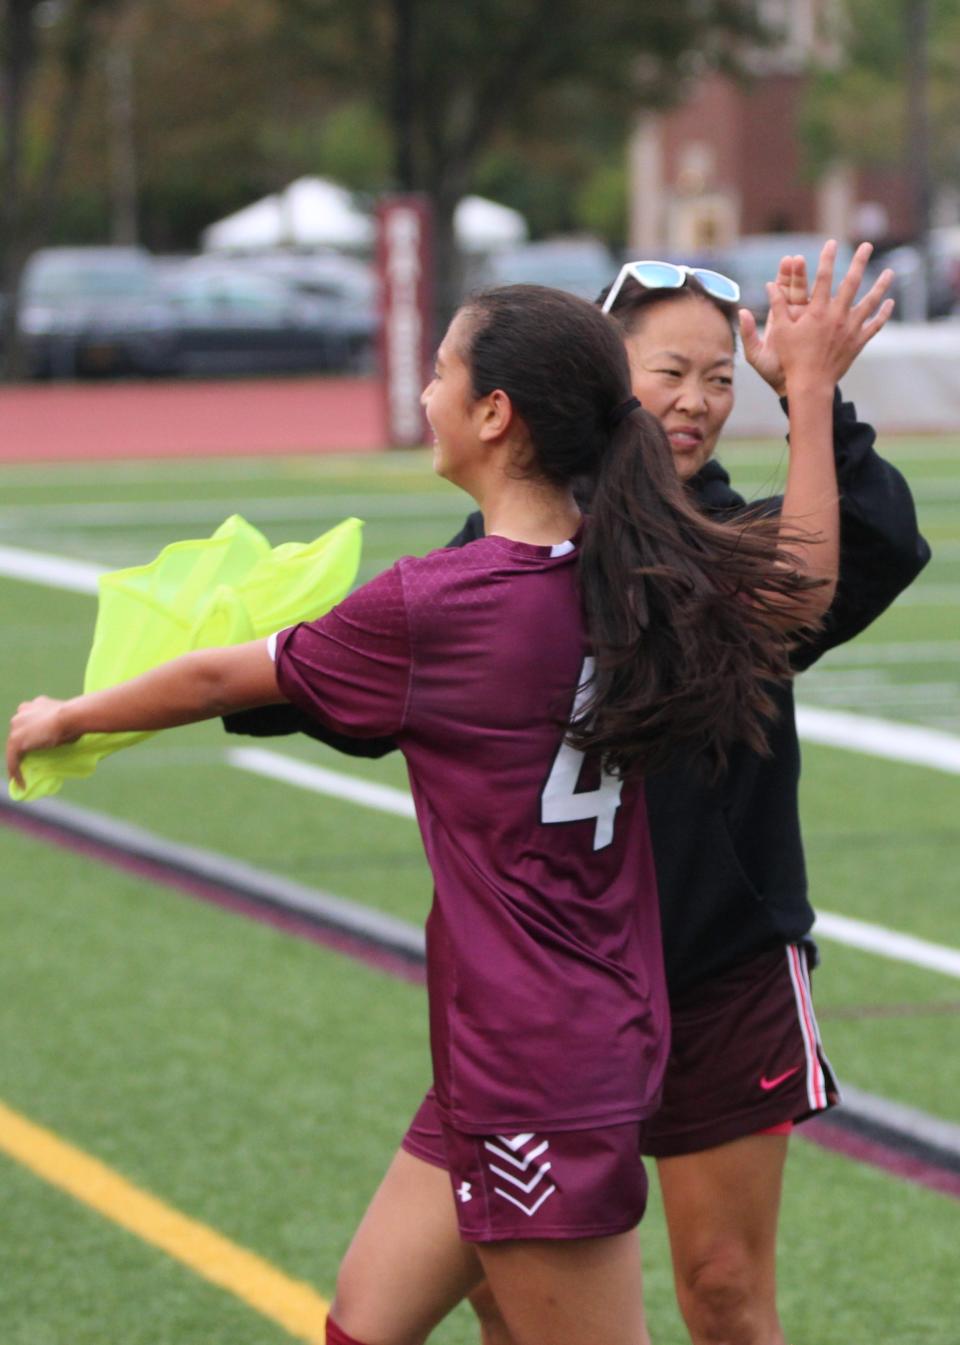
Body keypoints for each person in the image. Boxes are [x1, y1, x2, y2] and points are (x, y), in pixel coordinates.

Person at [11, 283, 846, 1345]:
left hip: (544, 1060)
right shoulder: (646, 579)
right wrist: (810, 397)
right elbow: (810, 581)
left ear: (496, 414)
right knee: (362, 1323)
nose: (424, 392)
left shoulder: (444, 604)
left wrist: (68, 712)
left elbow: (228, 675)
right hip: (515, 1047)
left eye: (441, 373)